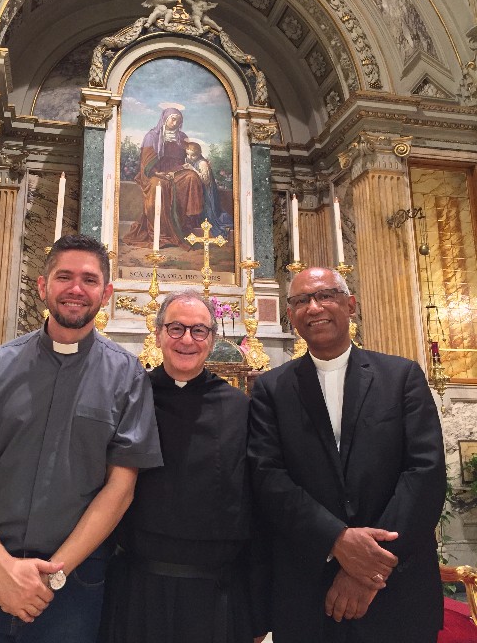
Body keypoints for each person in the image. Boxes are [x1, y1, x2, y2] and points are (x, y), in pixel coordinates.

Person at [0, 234, 163, 643]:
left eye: (89, 280)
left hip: (72, 581)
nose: (76, 289)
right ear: (42, 285)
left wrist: (52, 575)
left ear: (106, 293)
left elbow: (120, 489)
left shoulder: (128, 377)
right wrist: (2, 567)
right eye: (64, 276)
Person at [248, 267, 446, 643]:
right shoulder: (271, 389)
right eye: (301, 300)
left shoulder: (401, 376)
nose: (314, 307)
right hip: (310, 591)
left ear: (350, 305)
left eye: (326, 295)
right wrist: (336, 539)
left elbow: (425, 472)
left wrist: (368, 569)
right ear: (290, 315)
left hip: (397, 589)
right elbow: (267, 477)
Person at [100, 290, 268, 643]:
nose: (187, 340)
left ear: (213, 339)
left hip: (216, 594)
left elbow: (256, 506)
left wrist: (255, 609)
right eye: (176, 328)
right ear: (158, 334)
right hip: (139, 590)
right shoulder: (130, 398)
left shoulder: (239, 407)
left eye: (199, 330)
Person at [123, 107, 204, 248]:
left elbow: (191, 155)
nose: (175, 123)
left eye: (178, 120)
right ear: (165, 119)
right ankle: (161, 233)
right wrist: (156, 172)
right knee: (158, 186)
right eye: (173, 119)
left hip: (176, 172)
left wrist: (196, 164)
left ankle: (185, 224)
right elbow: (146, 161)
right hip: (156, 173)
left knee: (191, 177)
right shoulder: (152, 136)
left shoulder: (182, 137)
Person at [183, 140, 233, 238]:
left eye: (193, 155)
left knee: (210, 215)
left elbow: (205, 181)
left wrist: (192, 169)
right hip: (200, 190)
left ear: (199, 154)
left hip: (207, 192)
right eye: (188, 154)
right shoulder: (192, 161)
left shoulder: (202, 163)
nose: (190, 157)